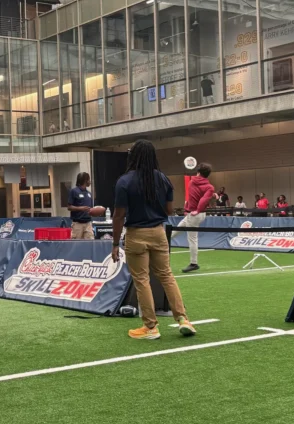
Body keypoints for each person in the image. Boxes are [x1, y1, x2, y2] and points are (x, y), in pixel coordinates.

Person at [112, 140, 195, 340]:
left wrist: (115, 244)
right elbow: (169, 210)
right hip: (158, 232)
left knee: (142, 280)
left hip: (136, 234)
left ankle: (150, 326)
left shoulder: (124, 181)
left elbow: (119, 215)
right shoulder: (163, 178)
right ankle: (183, 319)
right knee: (166, 276)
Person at [174, 163, 215, 273]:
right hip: (197, 214)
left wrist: (195, 210)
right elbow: (204, 198)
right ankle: (159, 247)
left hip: (194, 215)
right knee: (174, 231)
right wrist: (199, 209)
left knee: (192, 239)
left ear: (198, 172)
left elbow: (192, 198)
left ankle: (194, 263)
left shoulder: (191, 182)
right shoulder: (210, 187)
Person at [67, 172, 94, 240]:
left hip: (88, 223)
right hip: (77, 224)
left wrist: (94, 212)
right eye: (89, 180)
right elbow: (69, 207)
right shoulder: (74, 191)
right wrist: (80, 208)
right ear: (85, 180)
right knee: (76, 244)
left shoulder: (89, 194)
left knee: (90, 243)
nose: (90, 182)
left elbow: (90, 209)